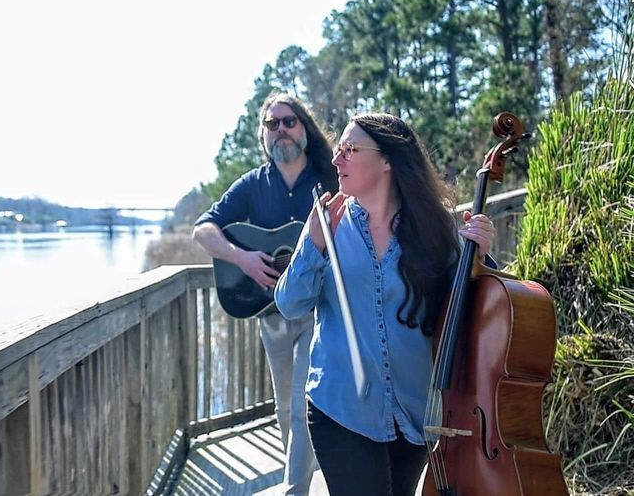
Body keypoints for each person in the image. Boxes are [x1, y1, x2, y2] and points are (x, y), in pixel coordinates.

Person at [273, 112, 496, 496]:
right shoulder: (327, 223)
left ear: (388, 160)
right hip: (341, 409)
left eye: (349, 149)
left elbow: (483, 307)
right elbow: (289, 304)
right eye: (339, 149)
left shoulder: (438, 228)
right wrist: (313, 247)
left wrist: (483, 256)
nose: (335, 159)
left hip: (415, 413)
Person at [193, 91, 337, 495]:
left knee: (301, 405)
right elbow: (203, 229)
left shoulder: (328, 181)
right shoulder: (253, 185)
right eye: (271, 124)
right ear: (264, 135)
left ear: (304, 127)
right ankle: (300, 477)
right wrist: (242, 259)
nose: (280, 130)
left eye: (288, 121)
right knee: (283, 407)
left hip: (317, 311)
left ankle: (295, 490)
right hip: (269, 313)